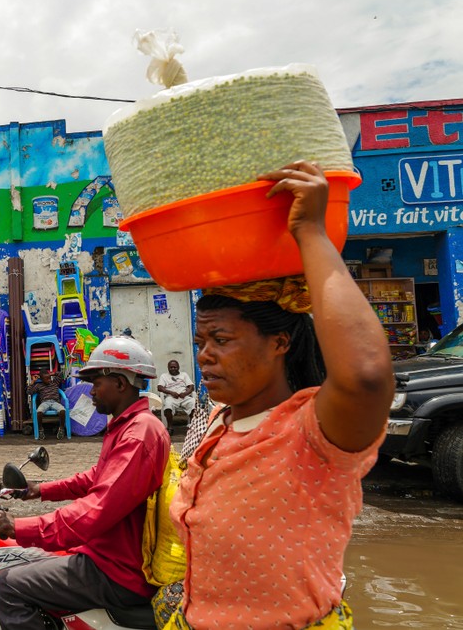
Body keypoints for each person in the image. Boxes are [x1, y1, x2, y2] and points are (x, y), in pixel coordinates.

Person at [161, 161, 395, 629]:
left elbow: (367, 376)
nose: (204, 356)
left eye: (221, 341)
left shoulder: (313, 431)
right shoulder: (216, 425)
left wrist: (311, 232)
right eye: (201, 342)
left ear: (279, 343)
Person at [0, 336, 170, 629]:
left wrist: (18, 527)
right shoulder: (127, 426)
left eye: (97, 383)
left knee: (7, 585)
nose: (91, 391)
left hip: (116, 569)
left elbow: (97, 510)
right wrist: (40, 490)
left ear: (121, 384)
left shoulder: (138, 434)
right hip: (108, 555)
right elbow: (97, 477)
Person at [155, 359, 195, 435]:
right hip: (171, 397)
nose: (173, 369)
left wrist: (185, 393)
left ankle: (193, 426)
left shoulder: (184, 375)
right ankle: (170, 427)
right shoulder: (164, 376)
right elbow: (159, 387)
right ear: (168, 368)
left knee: (193, 403)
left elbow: (191, 387)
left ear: (178, 367)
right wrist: (171, 392)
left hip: (184, 397)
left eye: (175, 367)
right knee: (168, 406)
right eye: (171, 367)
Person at [29, 368, 67, 437]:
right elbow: (29, 392)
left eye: (49, 378)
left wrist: (51, 374)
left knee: (62, 410)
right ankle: (40, 430)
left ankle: (61, 429)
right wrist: (33, 381)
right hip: (45, 403)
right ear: (41, 379)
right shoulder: (39, 386)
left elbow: (61, 374)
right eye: (46, 379)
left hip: (55, 402)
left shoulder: (54, 382)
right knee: (39, 412)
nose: (49, 380)